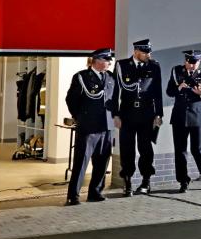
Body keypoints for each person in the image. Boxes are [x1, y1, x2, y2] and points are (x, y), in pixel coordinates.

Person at [64, 48, 118, 206]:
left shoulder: (110, 77)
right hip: (88, 126)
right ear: (97, 60)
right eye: (107, 60)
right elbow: (71, 100)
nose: (109, 63)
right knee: (81, 162)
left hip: (106, 126)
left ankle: (95, 192)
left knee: (102, 161)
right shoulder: (82, 77)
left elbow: (114, 100)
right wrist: (80, 117)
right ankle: (73, 195)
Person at [166, 50, 201, 193]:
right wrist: (179, 88)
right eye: (189, 62)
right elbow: (169, 91)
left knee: (198, 149)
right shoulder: (176, 71)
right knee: (180, 151)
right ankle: (183, 181)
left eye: (195, 63)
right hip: (179, 116)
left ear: (199, 61)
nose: (192, 65)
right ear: (185, 61)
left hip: (196, 115)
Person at [114, 38, 163, 196]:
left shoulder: (154, 66)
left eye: (149, 52)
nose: (148, 55)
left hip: (146, 114)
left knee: (145, 149)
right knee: (127, 149)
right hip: (127, 114)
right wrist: (115, 114)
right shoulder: (122, 65)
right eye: (145, 52)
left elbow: (158, 92)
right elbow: (115, 92)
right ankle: (127, 182)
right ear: (136, 52)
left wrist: (158, 114)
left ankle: (146, 181)